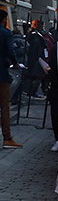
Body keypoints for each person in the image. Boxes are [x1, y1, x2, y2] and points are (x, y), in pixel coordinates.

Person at [0, 10, 22, 149]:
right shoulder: (6, 33)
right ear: (4, 20)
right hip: (2, 74)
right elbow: (10, 51)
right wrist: (15, 63)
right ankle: (7, 138)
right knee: (4, 106)